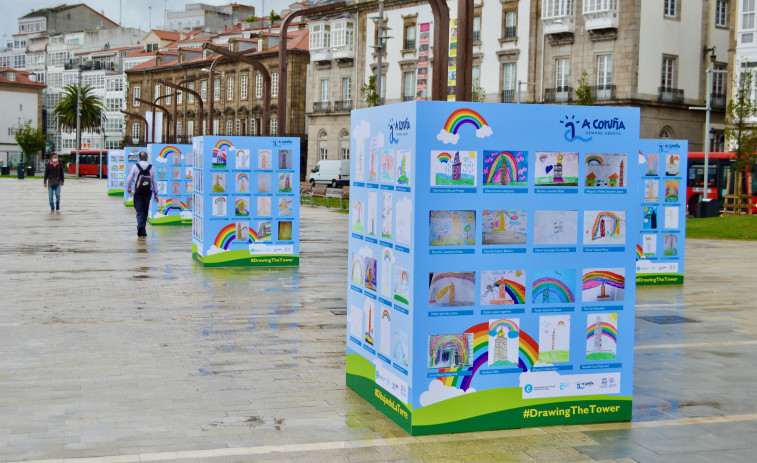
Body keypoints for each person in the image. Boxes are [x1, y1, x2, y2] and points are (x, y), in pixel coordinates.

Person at [126, 151, 158, 237]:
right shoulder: (151, 167)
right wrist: (156, 193)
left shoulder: (135, 167)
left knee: (139, 210)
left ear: (139, 158)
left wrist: (128, 188)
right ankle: (143, 230)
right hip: (148, 192)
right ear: (147, 158)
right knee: (145, 210)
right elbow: (154, 181)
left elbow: (129, 179)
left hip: (138, 191)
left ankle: (140, 226)